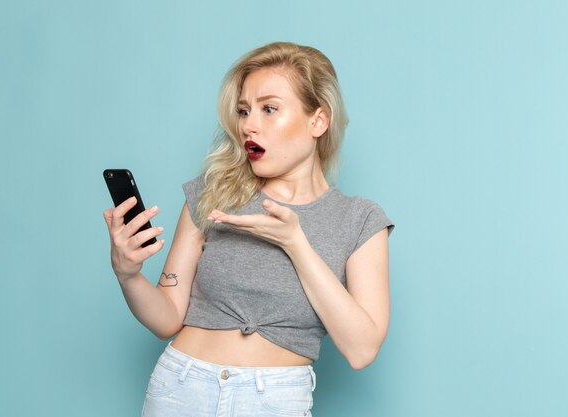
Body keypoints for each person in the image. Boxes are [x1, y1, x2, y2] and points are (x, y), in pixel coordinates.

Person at [103, 41, 394, 417]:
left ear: (318, 121)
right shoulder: (214, 193)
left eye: (269, 109)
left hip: (273, 399)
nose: (249, 125)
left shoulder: (358, 219)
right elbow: (167, 318)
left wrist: (295, 243)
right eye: (244, 111)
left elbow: (362, 349)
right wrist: (128, 275)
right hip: (180, 388)